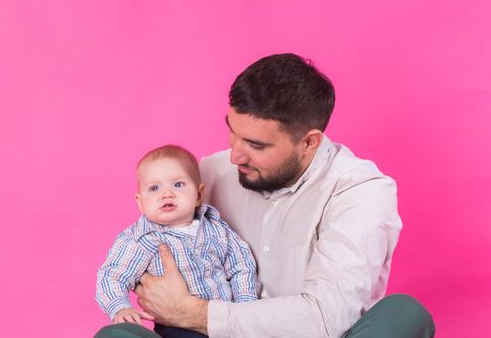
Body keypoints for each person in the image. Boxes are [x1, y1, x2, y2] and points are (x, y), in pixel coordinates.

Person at [95, 53, 435, 338]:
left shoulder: (361, 191)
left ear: (309, 142)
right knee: (118, 336)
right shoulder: (208, 175)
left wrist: (193, 313)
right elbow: (146, 248)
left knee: (405, 314)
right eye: (232, 131)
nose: (235, 157)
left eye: (257, 145)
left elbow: (325, 318)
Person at [95, 145, 260, 338]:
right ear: (140, 202)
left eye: (178, 185)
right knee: (117, 334)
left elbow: (242, 266)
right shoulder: (141, 240)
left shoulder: (216, 229)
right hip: (176, 329)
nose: (166, 194)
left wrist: (244, 306)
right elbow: (112, 275)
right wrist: (120, 308)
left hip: (221, 323)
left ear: (199, 195)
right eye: (154, 188)